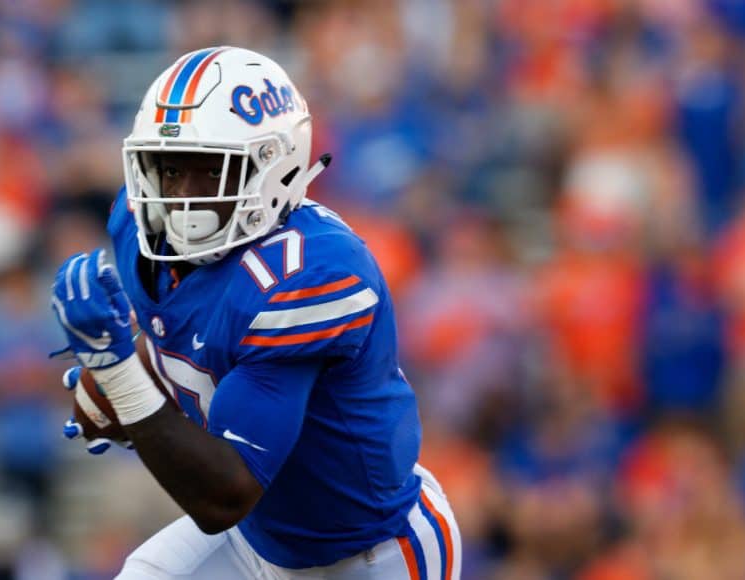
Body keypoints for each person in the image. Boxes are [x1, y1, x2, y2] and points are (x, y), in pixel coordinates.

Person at [49, 46, 461, 579]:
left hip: (366, 554)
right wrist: (129, 388)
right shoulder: (138, 231)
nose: (181, 197)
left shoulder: (311, 270)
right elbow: (195, 359)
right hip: (257, 540)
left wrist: (121, 376)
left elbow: (225, 495)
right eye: (169, 169)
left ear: (274, 166)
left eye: (209, 172)